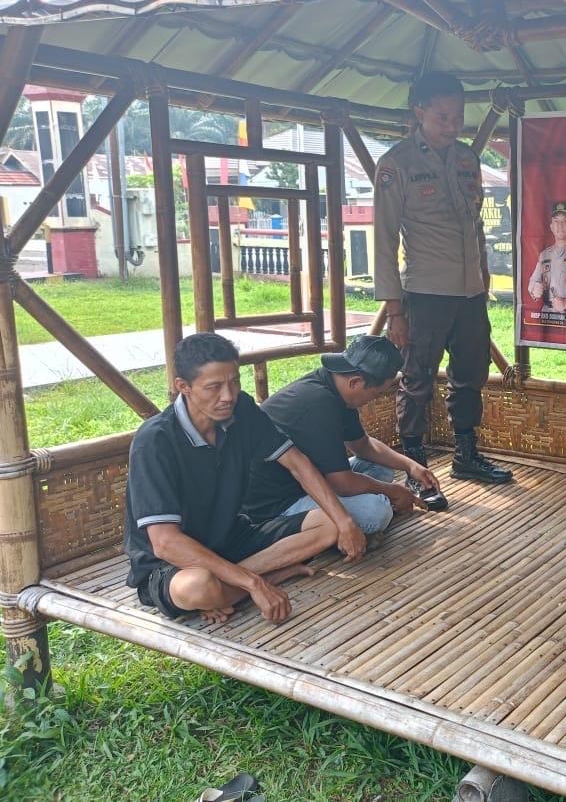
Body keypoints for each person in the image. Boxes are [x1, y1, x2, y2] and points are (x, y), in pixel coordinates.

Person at [124, 333, 366, 624]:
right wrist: (255, 583)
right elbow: (165, 543)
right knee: (198, 587)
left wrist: (344, 521)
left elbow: (297, 463)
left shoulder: (242, 411)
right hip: (170, 563)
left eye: (234, 382)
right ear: (183, 387)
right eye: (214, 387)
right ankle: (258, 577)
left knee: (330, 524)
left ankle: (226, 589)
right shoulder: (155, 441)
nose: (228, 396)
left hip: (230, 538)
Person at [373, 71, 512, 488]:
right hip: (425, 292)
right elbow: (383, 239)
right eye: (443, 117)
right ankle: (413, 465)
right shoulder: (397, 164)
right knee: (416, 380)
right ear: (420, 112)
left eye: (458, 117)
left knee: (471, 373)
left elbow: (476, 225)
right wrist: (395, 310)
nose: (453, 126)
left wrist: (484, 273)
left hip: (470, 292)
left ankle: (466, 455)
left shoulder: (468, 158)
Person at [245, 335, 447, 528]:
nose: (375, 399)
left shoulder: (336, 387)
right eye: (376, 393)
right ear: (355, 382)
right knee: (376, 512)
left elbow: (362, 445)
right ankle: (315, 529)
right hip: (277, 502)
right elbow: (342, 483)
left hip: (312, 480)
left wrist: (411, 466)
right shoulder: (318, 405)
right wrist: (392, 491)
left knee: (381, 468)